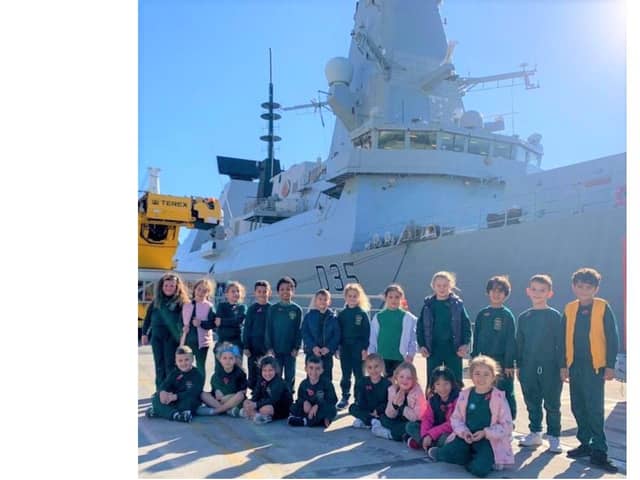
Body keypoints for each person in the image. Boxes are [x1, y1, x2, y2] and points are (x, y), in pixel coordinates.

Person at [562, 268, 619, 473]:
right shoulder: (569, 309)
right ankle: (584, 443)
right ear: (573, 287)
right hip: (575, 365)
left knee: (595, 409)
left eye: (588, 287)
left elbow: (612, 337)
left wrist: (610, 365)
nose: (583, 290)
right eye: (580, 286)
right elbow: (562, 339)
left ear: (595, 288)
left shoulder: (603, 307)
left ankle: (600, 451)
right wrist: (563, 365)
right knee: (578, 406)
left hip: (595, 367)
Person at [427, 356, 514, 477]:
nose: (481, 378)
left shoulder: (499, 398)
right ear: (471, 376)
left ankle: (477, 459)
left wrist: (485, 433)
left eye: (486, 374)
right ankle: (443, 453)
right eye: (477, 373)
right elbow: (456, 419)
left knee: (480, 470)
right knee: (448, 453)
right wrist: (464, 432)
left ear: (493, 377)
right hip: (467, 436)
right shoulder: (465, 395)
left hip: (488, 439)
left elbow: (507, 426)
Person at [516, 274, 564, 453]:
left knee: (552, 402)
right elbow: (519, 343)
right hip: (528, 366)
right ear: (528, 291)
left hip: (550, 367)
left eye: (542, 290)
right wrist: (518, 365)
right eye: (534, 289)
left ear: (549, 293)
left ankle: (554, 436)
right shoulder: (524, 317)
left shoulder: (554, 316)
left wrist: (562, 366)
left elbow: (561, 343)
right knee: (532, 400)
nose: (537, 293)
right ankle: (535, 432)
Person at [471, 275, 517, 420]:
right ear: (488, 292)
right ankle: (490, 417)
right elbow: (476, 337)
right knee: (485, 390)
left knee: (505, 391)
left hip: (502, 361)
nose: (496, 294)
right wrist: (474, 358)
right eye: (493, 290)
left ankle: (509, 419)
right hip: (484, 360)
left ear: (506, 294)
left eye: (500, 291)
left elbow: (511, 340)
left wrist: (509, 363)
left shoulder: (507, 315)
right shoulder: (482, 314)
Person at [416, 271, 471, 388]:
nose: (442, 288)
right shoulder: (428, 306)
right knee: (433, 380)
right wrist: (422, 345)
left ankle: (456, 404)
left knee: (455, 380)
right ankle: (432, 404)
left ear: (450, 286)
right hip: (433, 349)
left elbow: (466, 326)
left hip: (453, 349)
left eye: (445, 285)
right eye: (439, 285)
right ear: (433, 286)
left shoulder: (457, 305)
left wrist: (465, 344)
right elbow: (420, 327)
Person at [141, 273, 190, 389]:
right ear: (161, 287)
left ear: (177, 287)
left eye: (172, 286)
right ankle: (160, 390)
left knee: (170, 365)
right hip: (156, 338)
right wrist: (144, 333)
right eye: (166, 285)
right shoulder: (156, 301)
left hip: (172, 338)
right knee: (159, 364)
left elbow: (186, 320)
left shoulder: (181, 303)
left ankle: (170, 390)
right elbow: (147, 318)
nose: (168, 288)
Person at [145, 345, 205, 423]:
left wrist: (176, 396)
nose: (183, 363)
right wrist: (162, 391)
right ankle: (176, 415)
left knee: (189, 401)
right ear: (176, 362)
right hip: (173, 400)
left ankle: (161, 412)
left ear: (192, 359)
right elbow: (165, 384)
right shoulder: (175, 373)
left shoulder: (197, 374)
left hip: (186, 400)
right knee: (155, 398)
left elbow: (194, 392)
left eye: (186, 360)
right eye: (180, 361)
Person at [405, 365, 460, 451]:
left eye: (446, 384)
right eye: (438, 384)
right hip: (433, 429)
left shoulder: (458, 399)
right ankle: (426, 443)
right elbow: (427, 419)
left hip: (449, 431)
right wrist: (425, 435)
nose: (442, 388)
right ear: (433, 386)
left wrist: (431, 435)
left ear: (452, 384)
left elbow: (452, 423)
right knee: (410, 426)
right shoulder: (433, 400)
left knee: (447, 439)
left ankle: (423, 443)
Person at [368, 284, 417, 378]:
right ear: (385, 298)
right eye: (390, 297)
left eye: (397, 297)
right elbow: (373, 337)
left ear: (401, 298)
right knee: (385, 383)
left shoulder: (408, 317)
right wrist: (372, 354)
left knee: (400, 383)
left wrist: (410, 354)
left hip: (400, 357)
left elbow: (412, 338)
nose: (393, 300)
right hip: (382, 356)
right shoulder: (379, 316)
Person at [265, 276, 303, 392]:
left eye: (288, 289)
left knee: (290, 375)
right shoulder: (273, 309)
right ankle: (276, 397)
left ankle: (289, 398)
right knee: (276, 374)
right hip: (276, 349)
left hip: (290, 350)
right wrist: (269, 347)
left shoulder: (297, 309)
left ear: (293, 291)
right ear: (278, 292)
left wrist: (296, 347)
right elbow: (268, 329)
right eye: (282, 289)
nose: (285, 291)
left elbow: (299, 330)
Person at [336, 283, 371, 410]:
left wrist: (365, 349)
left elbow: (367, 332)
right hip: (345, 348)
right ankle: (345, 396)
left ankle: (359, 398)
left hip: (358, 348)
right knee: (345, 374)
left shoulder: (362, 314)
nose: (352, 298)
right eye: (350, 296)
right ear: (345, 297)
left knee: (359, 375)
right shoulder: (342, 314)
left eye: (355, 296)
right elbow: (338, 332)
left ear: (359, 297)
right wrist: (338, 348)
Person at [371, 362, 426, 441]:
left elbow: (417, 417)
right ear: (396, 377)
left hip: (411, 422)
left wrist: (402, 407)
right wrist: (394, 405)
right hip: (397, 420)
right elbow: (389, 415)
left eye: (409, 378)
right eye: (401, 377)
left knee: (410, 426)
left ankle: (390, 434)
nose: (404, 380)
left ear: (414, 379)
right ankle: (401, 435)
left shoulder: (417, 393)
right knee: (383, 418)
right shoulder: (392, 389)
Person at [288, 355, 338, 427]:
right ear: (306, 369)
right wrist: (304, 402)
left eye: (317, 368)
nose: (314, 371)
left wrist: (317, 406)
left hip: (320, 408)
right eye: (311, 368)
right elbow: (300, 398)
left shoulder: (327, 383)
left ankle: (305, 421)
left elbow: (332, 400)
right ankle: (319, 420)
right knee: (293, 407)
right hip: (308, 409)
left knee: (332, 410)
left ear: (322, 370)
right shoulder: (303, 384)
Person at [198, 342, 247, 416]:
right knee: (203, 394)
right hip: (219, 401)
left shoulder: (240, 373)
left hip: (232, 399)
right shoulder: (217, 374)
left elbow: (243, 391)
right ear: (220, 359)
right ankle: (226, 410)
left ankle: (217, 411)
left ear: (235, 360)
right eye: (224, 358)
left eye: (231, 358)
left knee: (240, 395)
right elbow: (216, 391)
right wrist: (217, 391)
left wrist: (228, 396)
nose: (228, 361)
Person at [302, 289, 340, 383]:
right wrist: (313, 347)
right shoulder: (309, 316)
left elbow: (336, 335)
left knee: (326, 377)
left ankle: (327, 396)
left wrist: (328, 348)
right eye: (320, 299)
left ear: (329, 302)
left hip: (326, 354)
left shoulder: (333, 318)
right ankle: (310, 396)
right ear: (315, 301)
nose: (322, 301)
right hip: (312, 353)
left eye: (325, 299)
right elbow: (305, 333)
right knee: (311, 376)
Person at [241, 355, 293, 424]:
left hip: (279, 407)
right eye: (264, 370)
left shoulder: (279, 382)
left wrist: (255, 405)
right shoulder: (261, 380)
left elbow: (272, 400)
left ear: (275, 370)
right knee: (246, 402)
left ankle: (255, 415)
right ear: (261, 370)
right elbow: (256, 394)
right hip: (264, 402)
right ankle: (256, 415)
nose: (267, 373)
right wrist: (251, 403)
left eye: (270, 370)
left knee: (265, 409)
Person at [180, 278, 216, 377]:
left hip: (202, 343)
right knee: (185, 365)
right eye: (199, 289)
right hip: (187, 341)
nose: (201, 292)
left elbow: (213, 324)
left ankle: (199, 388)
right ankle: (187, 386)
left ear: (208, 293)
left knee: (200, 366)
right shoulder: (186, 305)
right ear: (194, 289)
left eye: (205, 291)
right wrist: (182, 328)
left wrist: (201, 323)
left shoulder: (209, 306)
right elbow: (180, 322)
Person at [242, 280, 272, 391]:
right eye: (259, 291)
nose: (262, 294)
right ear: (255, 293)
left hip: (266, 348)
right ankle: (254, 394)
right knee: (253, 372)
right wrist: (246, 346)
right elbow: (247, 329)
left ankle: (265, 394)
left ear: (269, 293)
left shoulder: (272, 309)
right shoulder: (252, 309)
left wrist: (271, 348)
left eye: (265, 291)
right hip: (253, 348)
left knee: (266, 372)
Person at [348, 353, 391, 429]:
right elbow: (359, 399)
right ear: (366, 369)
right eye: (370, 367)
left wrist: (378, 410)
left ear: (382, 367)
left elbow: (388, 402)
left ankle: (366, 421)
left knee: (387, 414)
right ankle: (370, 420)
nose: (373, 370)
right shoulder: (363, 382)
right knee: (352, 408)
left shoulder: (387, 384)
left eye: (376, 367)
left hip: (379, 411)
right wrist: (367, 412)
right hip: (366, 409)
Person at [211, 281, 247, 361]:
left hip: (236, 343)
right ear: (226, 294)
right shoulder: (221, 306)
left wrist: (223, 321)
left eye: (238, 291)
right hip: (222, 342)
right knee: (220, 368)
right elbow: (217, 323)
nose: (236, 293)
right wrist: (228, 322)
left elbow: (238, 321)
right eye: (233, 291)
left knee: (237, 366)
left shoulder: (242, 307)